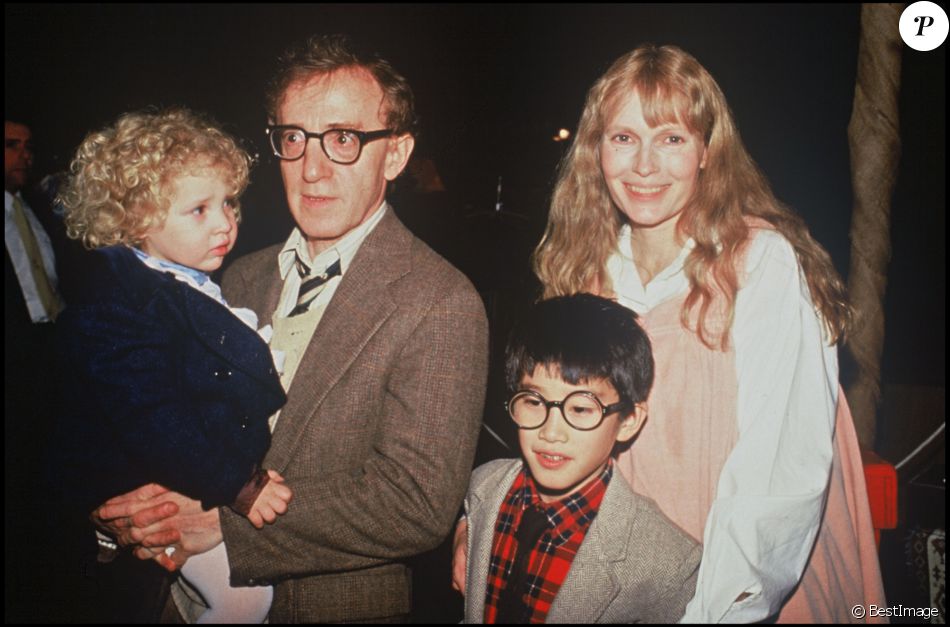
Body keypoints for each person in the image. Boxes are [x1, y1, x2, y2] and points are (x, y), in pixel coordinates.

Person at [93, 35, 490, 623]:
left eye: (344, 139)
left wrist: (226, 522)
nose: (312, 168)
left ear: (396, 154)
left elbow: (416, 501)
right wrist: (125, 514)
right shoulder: (234, 276)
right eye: (294, 138)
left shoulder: (441, 300)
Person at [527, 44, 885, 622]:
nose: (644, 165)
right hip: (633, 583)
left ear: (707, 153)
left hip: (746, 580)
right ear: (596, 150)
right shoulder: (584, 273)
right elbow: (556, 434)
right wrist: (490, 518)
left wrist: (716, 610)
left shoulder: (759, 264)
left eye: (671, 138)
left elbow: (779, 474)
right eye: (624, 138)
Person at [50, 108, 291, 623]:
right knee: (245, 599)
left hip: (189, 482)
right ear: (138, 219)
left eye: (228, 203)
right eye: (199, 210)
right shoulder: (122, 306)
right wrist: (240, 484)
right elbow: (156, 421)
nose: (225, 223)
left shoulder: (181, 283)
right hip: (155, 492)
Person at [464, 293, 700, 623]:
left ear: (628, 421)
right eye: (533, 402)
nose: (551, 432)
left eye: (580, 408)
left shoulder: (669, 565)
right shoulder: (483, 485)